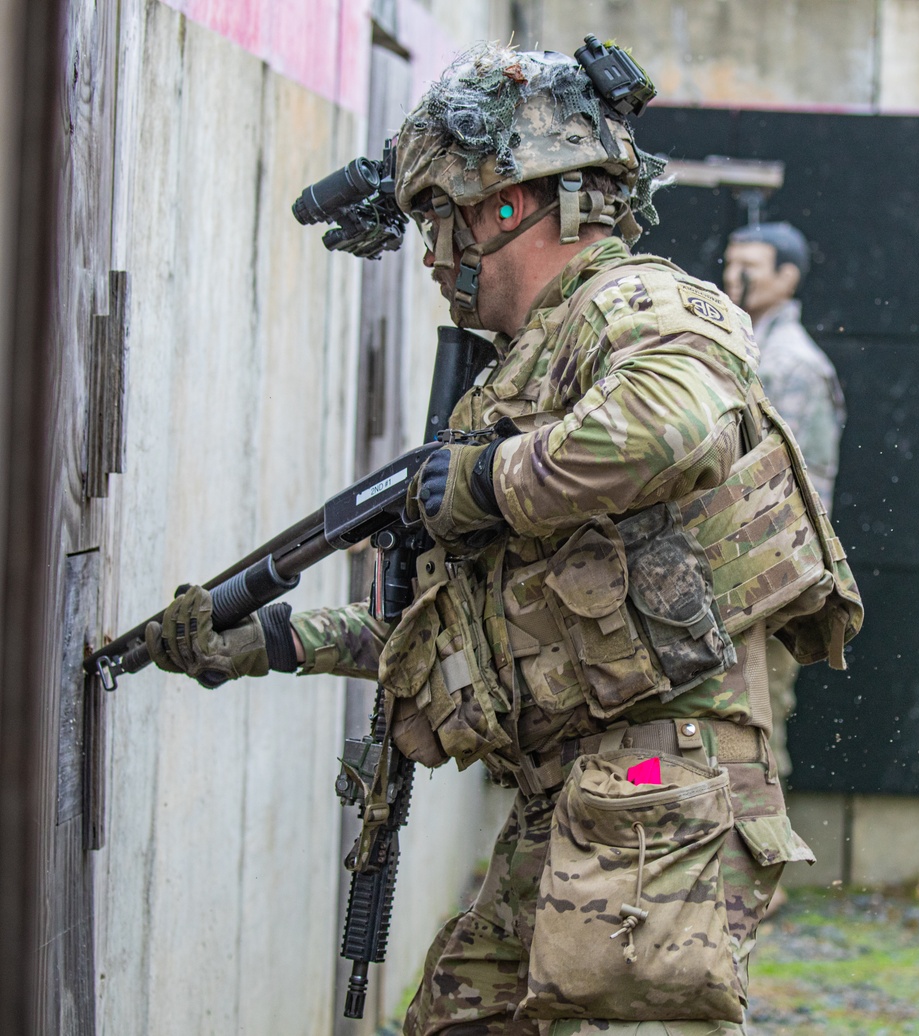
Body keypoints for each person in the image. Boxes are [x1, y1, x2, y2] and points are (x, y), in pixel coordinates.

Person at [146, 42, 861, 1036]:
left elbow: (675, 421)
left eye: (441, 217)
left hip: (656, 795)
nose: (433, 253)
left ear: (514, 205)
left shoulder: (636, 306)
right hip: (580, 800)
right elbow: (470, 632)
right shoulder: (525, 371)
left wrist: (487, 477)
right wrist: (279, 641)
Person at [722, 223, 846, 782]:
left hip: (767, 580)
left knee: (756, 728)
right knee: (702, 732)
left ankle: (759, 860)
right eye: (729, 263)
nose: (733, 276)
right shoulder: (735, 344)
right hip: (722, 577)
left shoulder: (796, 365)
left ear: (787, 277)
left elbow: (802, 487)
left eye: (750, 266)